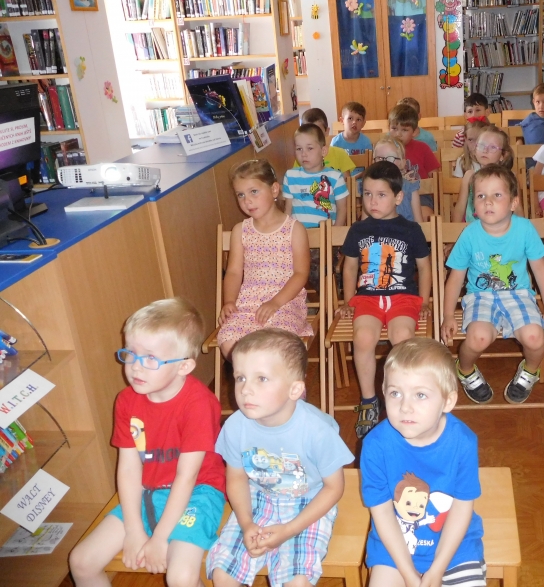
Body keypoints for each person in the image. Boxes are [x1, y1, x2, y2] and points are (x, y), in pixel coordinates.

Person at [69, 298, 226, 586]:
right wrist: (134, 530)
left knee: (180, 577)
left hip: (197, 492)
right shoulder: (126, 400)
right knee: (81, 561)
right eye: (130, 354)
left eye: (151, 358)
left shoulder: (199, 404)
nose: (135, 367)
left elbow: (187, 476)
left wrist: (160, 537)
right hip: (147, 490)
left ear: (184, 366)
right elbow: (129, 468)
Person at [207, 328, 354, 587]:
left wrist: (290, 530)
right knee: (223, 576)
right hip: (256, 498)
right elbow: (237, 478)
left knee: (297, 581)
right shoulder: (235, 426)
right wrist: (246, 523)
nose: (245, 389)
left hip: (309, 502)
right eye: (240, 377)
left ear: (294, 389)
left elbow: (333, 488)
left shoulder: (318, 431)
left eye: (261, 379)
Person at [361, 338, 486, 587]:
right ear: (383, 392)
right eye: (395, 393)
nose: (405, 407)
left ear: (448, 401)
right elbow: (382, 513)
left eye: (420, 395)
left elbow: (462, 508)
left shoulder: (463, 442)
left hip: (456, 548)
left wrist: (437, 569)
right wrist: (409, 574)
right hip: (393, 550)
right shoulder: (375, 445)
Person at [442, 165, 544, 405]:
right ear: (474, 205)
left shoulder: (525, 229)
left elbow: (541, 270)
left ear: (514, 203)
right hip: (480, 297)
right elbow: (455, 278)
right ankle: (465, 369)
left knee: (536, 338)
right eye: (481, 196)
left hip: (519, 295)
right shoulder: (470, 234)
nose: (488, 201)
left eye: (497, 195)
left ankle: (530, 370)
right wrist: (448, 316)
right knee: (478, 338)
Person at [338, 161, 432, 438]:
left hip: (403, 297)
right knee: (363, 338)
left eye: (381, 195)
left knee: (402, 338)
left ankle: (403, 396)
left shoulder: (411, 230)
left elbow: (425, 267)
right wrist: (348, 300)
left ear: (398, 197)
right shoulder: (358, 230)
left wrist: (425, 300)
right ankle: (369, 400)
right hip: (367, 298)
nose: (372, 201)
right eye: (367, 194)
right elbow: (349, 267)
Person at [217, 159, 312, 360]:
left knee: (275, 345)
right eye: (240, 195)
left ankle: (274, 379)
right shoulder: (240, 230)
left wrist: (275, 303)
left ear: (274, 190)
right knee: (229, 342)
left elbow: (301, 273)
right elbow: (233, 272)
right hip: (247, 303)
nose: (247, 201)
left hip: (285, 302)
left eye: (254, 192)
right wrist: (229, 301)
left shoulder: (294, 229)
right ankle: (252, 379)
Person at [283, 123, 348, 228]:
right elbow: (288, 210)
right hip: (298, 234)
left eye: (310, 148)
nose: (303, 154)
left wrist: (335, 233)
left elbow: (342, 209)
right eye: (299, 149)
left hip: (326, 234)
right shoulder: (290, 176)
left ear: (323, 151)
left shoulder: (335, 177)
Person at [452, 126, 514, 225]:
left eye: (492, 147)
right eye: (481, 145)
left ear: (503, 155)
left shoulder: (509, 178)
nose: (485, 150)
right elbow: (460, 207)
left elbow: (518, 210)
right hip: (473, 228)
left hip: (501, 228)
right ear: (475, 150)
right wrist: (454, 230)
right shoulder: (469, 176)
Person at [368, 136, 423, 224]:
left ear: (402, 163)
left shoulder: (410, 188)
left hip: (404, 232)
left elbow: (419, 222)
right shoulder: (369, 188)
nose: (385, 163)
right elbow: (364, 224)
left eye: (390, 158)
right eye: (380, 158)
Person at [297, 108, 356, 178]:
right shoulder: (302, 157)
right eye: (309, 132)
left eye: (318, 131)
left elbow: (347, 181)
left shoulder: (340, 154)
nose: (313, 136)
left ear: (327, 131)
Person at [388, 104, 440, 182]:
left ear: (414, 131)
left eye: (404, 130)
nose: (398, 134)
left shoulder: (423, 148)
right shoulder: (384, 149)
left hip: (422, 189)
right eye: (394, 128)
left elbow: (435, 178)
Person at [520, 82, 544, 147]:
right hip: (531, 152)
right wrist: (519, 141)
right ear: (533, 102)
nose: (541, 106)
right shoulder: (530, 118)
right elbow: (516, 131)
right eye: (538, 102)